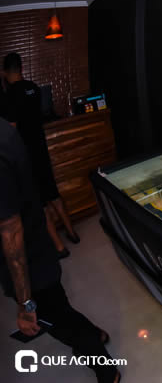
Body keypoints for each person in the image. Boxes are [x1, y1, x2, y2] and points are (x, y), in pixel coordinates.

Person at [0, 117, 121, 382]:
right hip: (35, 244)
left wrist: (25, 303)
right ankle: (96, 334)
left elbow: (11, 231)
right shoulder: (6, 128)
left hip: (27, 259)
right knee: (60, 309)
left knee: (54, 319)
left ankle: (107, 371)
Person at [3, 52, 79, 258]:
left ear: (5, 72)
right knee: (53, 193)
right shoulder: (34, 88)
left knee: (40, 203)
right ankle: (72, 233)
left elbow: (11, 129)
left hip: (26, 157)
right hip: (41, 150)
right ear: (21, 68)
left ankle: (59, 248)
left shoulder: (9, 96)